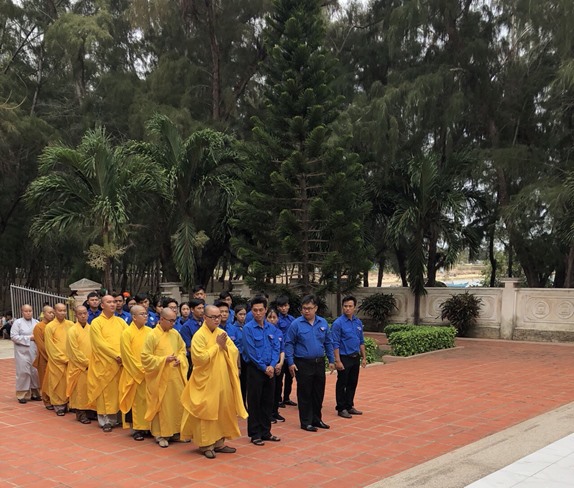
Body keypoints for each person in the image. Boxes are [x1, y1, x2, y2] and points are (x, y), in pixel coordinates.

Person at [181, 305, 247, 459]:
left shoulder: (221, 333)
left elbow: (234, 351)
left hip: (222, 380)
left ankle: (219, 442)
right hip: (206, 382)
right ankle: (206, 445)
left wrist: (224, 347)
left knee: (222, 410)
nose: (217, 319)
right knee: (206, 412)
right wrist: (217, 347)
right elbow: (199, 359)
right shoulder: (199, 336)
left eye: (219, 316)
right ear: (205, 318)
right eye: (213, 317)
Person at [285, 294, 335, 432]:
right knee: (305, 393)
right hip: (303, 363)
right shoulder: (296, 324)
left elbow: (328, 342)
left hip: (319, 363)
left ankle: (317, 419)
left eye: (309, 308)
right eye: (304, 308)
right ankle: (306, 421)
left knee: (318, 392)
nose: (306, 311)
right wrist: (290, 362)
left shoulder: (322, 323)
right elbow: (289, 343)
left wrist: (331, 360)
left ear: (316, 308)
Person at [141, 308, 188, 448]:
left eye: (175, 320)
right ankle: (160, 434)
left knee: (176, 405)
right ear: (161, 319)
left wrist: (180, 359)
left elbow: (182, 350)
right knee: (161, 406)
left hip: (175, 377)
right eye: (171, 321)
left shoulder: (175, 334)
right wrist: (163, 360)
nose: (173, 323)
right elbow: (145, 357)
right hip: (159, 378)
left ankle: (175, 432)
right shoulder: (152, 335)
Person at [242, 298, 281, 445]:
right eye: (255, 310)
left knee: (268, 401)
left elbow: (276, 347)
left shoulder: (271, 328)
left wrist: (272, 365)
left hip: (270, 370)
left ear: (265, 310)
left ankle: (266, 431)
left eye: (261, 310)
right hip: (256, 370)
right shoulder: (248, 329)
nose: (258, 313)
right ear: (251, 311)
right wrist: (264, 367)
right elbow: (250, 351)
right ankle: (255, 434)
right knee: (254, 402)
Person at [88, 294, 128, 432]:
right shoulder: (96, 323)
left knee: (118, 391)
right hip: (105, 362)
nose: (113, 304)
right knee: (105, 391)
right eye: (109, 302)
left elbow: (127, 338)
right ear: (102, 305)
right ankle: (105, 420)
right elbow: (99, 344)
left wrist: (124, 356)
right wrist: (116, 355)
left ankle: (118, 418)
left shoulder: (121, 322)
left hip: (120, 362)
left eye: (114, 302)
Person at [119, 305, 152, 441]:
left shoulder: (150, 331)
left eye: (146, 313)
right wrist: (140, 370)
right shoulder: (126, 333)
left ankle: (147, 427)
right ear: (134, 317)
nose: (145, 316)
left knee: (147, 401)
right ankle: (136, 429)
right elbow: (127, 356)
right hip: (133, 373)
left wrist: (149, 368)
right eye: (142, 314)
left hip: (148, 372)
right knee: (134, 401)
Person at [331, 295, 367, 418]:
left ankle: (349, 405)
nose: (347, 308)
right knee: (342, 383)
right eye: (345, 306)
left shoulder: (358, 322)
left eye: (350, 306)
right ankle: (341, 408)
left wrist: (364, 357)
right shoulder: (338, 323)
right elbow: (335, 343)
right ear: (342, 307)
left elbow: (361, 341)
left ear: (354, 307)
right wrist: (337, 361)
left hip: (355, 357)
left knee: (352, 382)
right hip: (344, 357)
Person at [66, 305, 95, 424]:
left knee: (90, 388)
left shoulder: (92, 329)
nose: (83, 316)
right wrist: (86, 363)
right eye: (80, 314)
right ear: (76, 315)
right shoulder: (72, 331)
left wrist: (93, 363)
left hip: (92, 365)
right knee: (80, 390)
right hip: (79, 366)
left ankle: (90, 410)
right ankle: (80, 413)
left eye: (85, 313)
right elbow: (74, 351)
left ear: (88, 314)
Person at [45, 303, 74, 415]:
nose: (62, 313)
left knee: (70, 382)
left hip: (71, 359)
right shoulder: (50, 327)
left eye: (64, 310)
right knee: (57, 383)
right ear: (55, 312)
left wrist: (72, 357)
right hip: (57, 361)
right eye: (60, 310)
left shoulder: (70, 324)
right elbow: (50, 346)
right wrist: (63, 358)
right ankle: (58, 405)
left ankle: (70, 403)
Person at [11, 304, 40, 404]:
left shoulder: (37, 322)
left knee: (35, 371)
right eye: (26, 311)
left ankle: (35, 393)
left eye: (30, 311)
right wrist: (29, 338)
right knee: (23, 371)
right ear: (22, 312)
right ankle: (22, 394)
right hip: (22, 351)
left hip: (34, 349)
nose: (28, 313)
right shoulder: (17, 323)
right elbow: (14, 337)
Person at [276, 295, 297, 408]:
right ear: (278, 307)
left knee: (290, 376)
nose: (283, 308)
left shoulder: (292, 320)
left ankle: (287, 398)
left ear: (288, 306)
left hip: (290, 352)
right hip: (280, 352)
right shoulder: (276, 319)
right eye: (281, 306)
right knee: (279, 377)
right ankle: (278, 399)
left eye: (285, 306)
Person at [33, 305, 55, 409]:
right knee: (45, 380)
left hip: (56, 358)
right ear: (44, 313)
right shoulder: (39, 327)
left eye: (53, 312)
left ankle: (56, 399)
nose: (52, 314)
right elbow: (41, 345)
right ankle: (47, 401)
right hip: (44, 358)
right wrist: (50, 357)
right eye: (49, 312)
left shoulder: (55, 325)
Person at [267, 308, 286, 423]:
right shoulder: (265, 331)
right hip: (269, 365)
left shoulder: (279, 332)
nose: (272, 320)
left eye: (274, 317)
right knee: (269, 390)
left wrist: (281, 363)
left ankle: (275, 411)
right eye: (270, 317)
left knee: (278, 389)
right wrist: (272, 365)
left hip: (279, 364)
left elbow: (282, 349)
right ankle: (268, 413)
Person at [178, 298, 205, 377]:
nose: (202, 310)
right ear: (192, 310)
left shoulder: (206, 323)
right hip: (194, 359)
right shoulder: (186, 326)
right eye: (199, 308)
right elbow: (188, 346)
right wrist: (202, 355)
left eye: (203, 308)